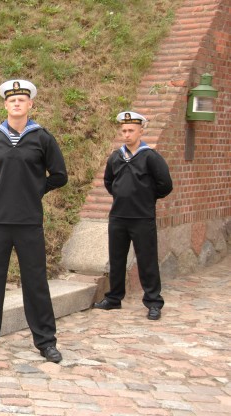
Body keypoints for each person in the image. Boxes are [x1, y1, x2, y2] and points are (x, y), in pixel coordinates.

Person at [0, 80, 68, 363]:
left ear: (30, 104)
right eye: (12, 100)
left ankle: (46, 341)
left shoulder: (42, 138)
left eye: (22, 100)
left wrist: (36, 189)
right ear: (5, 105)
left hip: (29, 221)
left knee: (36, 282)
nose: (17, 103)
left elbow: (59, 175)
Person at [94, 111, 173, 320]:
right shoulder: (116, 157)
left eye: (131, 130)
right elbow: (109, 182)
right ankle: (114, 298)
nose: (127, 134)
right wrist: (121, 194)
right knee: (116, 259)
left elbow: (165, 184)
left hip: (142, 217)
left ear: (140, 132)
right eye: (124, 131)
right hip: (118, 217)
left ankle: (153, 302)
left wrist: (146, 197)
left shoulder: (150, 157)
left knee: (147, 261)